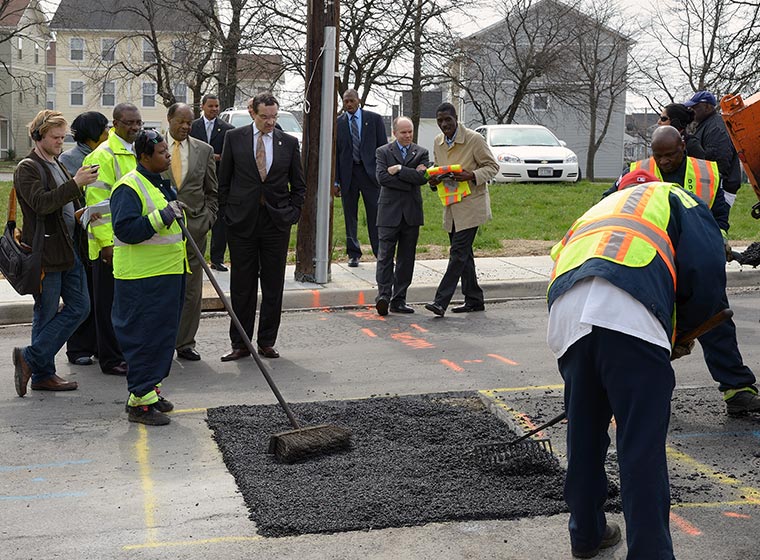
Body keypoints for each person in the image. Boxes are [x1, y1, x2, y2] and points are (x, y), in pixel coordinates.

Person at [548, 171, 727, 559]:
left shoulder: (596, 210)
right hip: (630, 314)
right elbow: (706, 268)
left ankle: (586, 534)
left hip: (567, 314)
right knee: (641, 444)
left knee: (584, 434)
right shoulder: (675, 197)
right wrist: (681, 330)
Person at [611, 126, 760, 416]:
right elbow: (613, 204)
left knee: (716, 321)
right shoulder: (637, 172)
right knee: (649, 330)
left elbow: (719, 218)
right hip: (652, 264)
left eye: (669, 155)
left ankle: (737, 390)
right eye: (658, 156)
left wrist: (717, 242)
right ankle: (644, 393)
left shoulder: (706, 173)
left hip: (694, 262)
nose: (664, 162)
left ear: (683, 146)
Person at [12, 110, 100, 396]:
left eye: (63, 138)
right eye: (55, 137)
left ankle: (31, 358)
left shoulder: (57, 163)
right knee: (46, 311)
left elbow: (62, 207)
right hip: (45, 252)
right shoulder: (27, 167)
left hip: (68, 247)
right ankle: (43, 373)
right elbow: (41, 204)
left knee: (81, 306)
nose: (61, 142)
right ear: (38, 136)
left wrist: (83, 214)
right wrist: (75, 183)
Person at [217, 92, 306, 361]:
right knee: (242, 285)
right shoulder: (235, 138)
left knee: (272, 284)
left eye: (274, 116)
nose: (270, 122)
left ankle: (267, 341)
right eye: (264, 116)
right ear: (252, 113)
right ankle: (241, 343)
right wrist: (228, 213)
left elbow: (299, 185)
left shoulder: (288, 143)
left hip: (275, 223)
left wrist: (292, 213)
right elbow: (224, 182)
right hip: (242, 222)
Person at [110, 130, 187, 426]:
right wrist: (163, 216)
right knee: (144, 337)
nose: (168, 155)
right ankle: (140, 403)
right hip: (141, 279)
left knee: (161, 337)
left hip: (166, 273)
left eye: (167, 151)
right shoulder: (128, 187)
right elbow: (126, 230)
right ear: (143, 157)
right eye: (161, 152)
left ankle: (149, 390)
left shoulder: (159, 184)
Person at [82, 103, 142, 377]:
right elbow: (97, 205)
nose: (134, 127)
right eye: (128, 123)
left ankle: (119, 352)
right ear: (114, 124)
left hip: (131, 243)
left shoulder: (134, 151)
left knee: (125, 304)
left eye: (137, 122)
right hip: (109, 246)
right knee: (108, 305)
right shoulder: (102, 156)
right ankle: (110, 359)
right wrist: (106, 243)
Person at [424, 102, 499, 317]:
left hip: (471, 205)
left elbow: (493, 167)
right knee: (464, 255)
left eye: (448, 119)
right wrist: (433, 180)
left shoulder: (474, 139)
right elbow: (438, 169)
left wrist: (472, 176)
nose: (444, 124)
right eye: (440, 121)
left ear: (456, 118)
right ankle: (474, 299)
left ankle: (440, 301)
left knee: (457, 254)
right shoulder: (438, 143)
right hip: (451, 204)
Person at [164, 103, 218, 362]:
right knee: (163, 288)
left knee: (192, 289)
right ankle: (161, 341)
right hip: (160, 232)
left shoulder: (204, 151)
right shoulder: (152, 147)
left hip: (194, 230)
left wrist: (207, 220)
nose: (185, 126)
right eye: (181, 122)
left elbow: (212, 192)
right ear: (169, 119)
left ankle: (185, 342)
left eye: (190, 123)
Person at [60, 111, 109, 367]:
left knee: (102, 295)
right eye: (104, 128)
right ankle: (78, 348)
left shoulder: (106, 155)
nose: (108, 132)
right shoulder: (70, 160)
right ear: (93, 132)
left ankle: (102, 345)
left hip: (102, 235)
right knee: (83, 294)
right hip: (80, 237)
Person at [374, 116, 430, 315]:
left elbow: (423, 178)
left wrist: (399, 170)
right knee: (385, 256)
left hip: (411, 213)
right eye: (403, 132)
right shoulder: (383, 152)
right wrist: (410, 177)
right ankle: (383, 296)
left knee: (407, 258)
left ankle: (399, 299)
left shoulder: (421, 152)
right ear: (394, 133)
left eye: (410, 132)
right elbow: (381, 178)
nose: (407, 136)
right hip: (389, 212)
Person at [335, 89, 387, 267]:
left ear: (359, 100)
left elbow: (382, 149)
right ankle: (353, 253)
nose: (348, 104)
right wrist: (336, 181)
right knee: (350, 215)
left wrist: (382, 174)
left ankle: (380, 252)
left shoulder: (374, 120)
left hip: (370, 175)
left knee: (375, 214)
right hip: (348, 175)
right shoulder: (338, 123)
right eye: (345, 101)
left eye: (351, 101)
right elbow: (335, 155)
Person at [190, 93, 234, 272]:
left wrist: (215, 157)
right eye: (211, 106)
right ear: (202, 106)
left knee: (219, 221)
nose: (215, 109)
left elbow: (230, 156)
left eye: (217, 106)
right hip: (196, 179)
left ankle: (217, 259)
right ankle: (194, 257)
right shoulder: (193, 127)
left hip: (217, 180)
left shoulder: (227, 129)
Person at [683, 90, 742, 205]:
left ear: (707, 107)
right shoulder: (707, 124)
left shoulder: (715, 127)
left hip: (720, 188)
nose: (691, 111)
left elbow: (721, 160)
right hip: (713, 186)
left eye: (695, 107)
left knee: (715, 222)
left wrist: (713, 187)